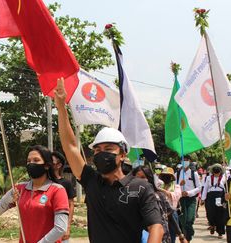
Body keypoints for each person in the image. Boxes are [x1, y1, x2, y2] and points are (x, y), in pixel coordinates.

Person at [54, 77, 164, 243]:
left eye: (108, 149)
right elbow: (70, 147)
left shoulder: (140, 187)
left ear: (122, 155)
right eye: (97, 150)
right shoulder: (91, 181)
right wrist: (61, 107)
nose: (101, 154)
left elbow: (156, 227)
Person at [0, 145, 69, 243]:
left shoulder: (57, 190)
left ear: (47, 165)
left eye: (36, 160)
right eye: (28, 161)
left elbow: (61, 228)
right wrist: (8, 199)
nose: (31, 164)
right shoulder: (19, 188)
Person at [176, 155, 201, 242]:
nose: (185, 162)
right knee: (183, 220)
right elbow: (174, 186)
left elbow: (199, 187)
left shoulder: (194, 173)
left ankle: (189, 235)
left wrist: (189, 193)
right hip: (181, 200)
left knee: (190, 219)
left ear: (189, 161)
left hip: (191, 200)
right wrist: (179, 185)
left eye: (186, 160)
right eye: (183, 160)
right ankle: (187, 238)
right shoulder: (178, 173)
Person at [51, 151, 76, 243]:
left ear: (58, 165)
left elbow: (71, 205)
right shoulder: (42, 183)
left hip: (61, 227)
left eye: (51, 162)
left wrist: (68, 227)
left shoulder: (66, 183)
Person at [158, 167, 186, 243]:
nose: (165, 177)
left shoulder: (176, 187)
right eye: (164, 175)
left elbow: (174, 196)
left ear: (171, 177)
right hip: (161, 213)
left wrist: (160, 190)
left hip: (172, 213)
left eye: (168, 176)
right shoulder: (159, 185)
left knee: (171, 236)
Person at [200, 164, 226, 239]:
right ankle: (212, 224)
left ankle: (220, 232)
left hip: (220, 196)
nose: (216, 174)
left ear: (220, 172)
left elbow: (226, 188)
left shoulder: (224, 178)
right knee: (210, 213)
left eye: (218, 173)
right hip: (210, 196)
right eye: (215, 173)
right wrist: (203, 198)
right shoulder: (208, 178)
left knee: (220, 214)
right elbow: (205, 188)